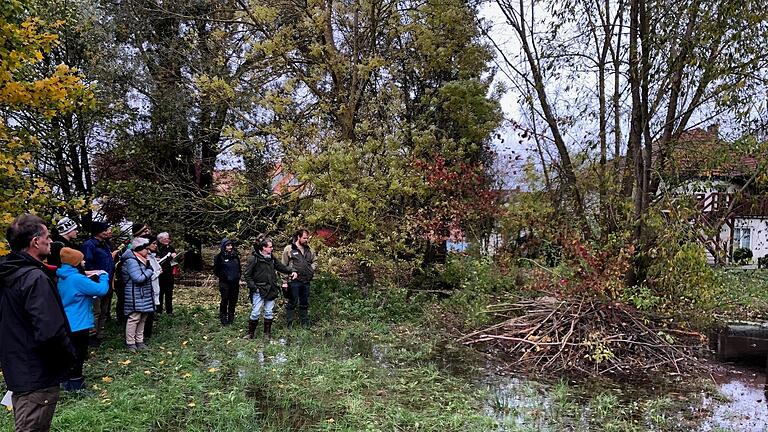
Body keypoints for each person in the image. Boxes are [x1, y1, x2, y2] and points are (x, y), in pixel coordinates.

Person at [0, 214, 75, 431]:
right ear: (35, 241)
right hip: (37, 374)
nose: (51, 242)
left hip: (18, 366)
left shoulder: (8, 273)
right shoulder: (34, 278)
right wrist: (67, 357)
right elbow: (50, 331)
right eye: (48, 237)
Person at [56, 247, 109, 391]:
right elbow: (100, 290)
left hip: (66, 321)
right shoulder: (77, 279)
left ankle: (66, 381)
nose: (84, 262)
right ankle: (76, 385)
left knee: (69, 353)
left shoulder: (62, 276)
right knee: (79, 354)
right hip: (79, 322)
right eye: (81, 260)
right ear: (75, 263)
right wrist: (104, 276)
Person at [243, 236, 296, 339]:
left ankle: (267, 334)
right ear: (263, 247)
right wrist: (254, 288)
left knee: (269, 312)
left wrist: (293, 270)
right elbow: (247, 275)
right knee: (255, 312)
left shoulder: (271, 258)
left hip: (271, 288)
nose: (272, 249)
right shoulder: (254, 259)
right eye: (270, 247)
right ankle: (250, 334)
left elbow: (281, 267)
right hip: (259, 289)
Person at [81, 221, 116, 345]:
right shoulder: (89, 245)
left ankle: (100, 333)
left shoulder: (105, 244)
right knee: (96, 310)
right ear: (99, 232)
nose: (108, 232)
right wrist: (95, 276)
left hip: (107, 281)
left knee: (104, 309)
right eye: (106, 230)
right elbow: (87, 264)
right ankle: (92, 335)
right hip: (95, 282)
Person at [121, 237, 155, 352]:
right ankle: (130, 342)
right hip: (135, 294)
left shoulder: (142, 259)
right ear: (139, 249)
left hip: (143, 293)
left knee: (143, 318)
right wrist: (150, 271)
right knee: (134, 318)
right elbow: (138, 278)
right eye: (146, 249)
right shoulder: (131, 260)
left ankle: (139, 341)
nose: (148, 251)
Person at [282, 229, 316, 328]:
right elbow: (283, 265)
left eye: (307, 238)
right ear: (298, 237)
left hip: (306, 280)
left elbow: (315, 261)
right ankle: (289, 325)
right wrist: (284, 281)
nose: (306, 240)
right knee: (292, 302)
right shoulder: (289, 249)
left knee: (304, 302)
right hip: (294, 281)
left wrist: (311, 269)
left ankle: (304, 324)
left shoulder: (310, 250)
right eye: (304, 238)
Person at [213, 238, 241, 326]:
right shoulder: (219, 257)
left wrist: (238, 276)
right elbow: (216, 270)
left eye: (231, 245)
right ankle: (223, 317)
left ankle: (231, 317)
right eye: (228, 245)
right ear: (223, 246)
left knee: (233, 300)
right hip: (224, 283)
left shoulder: (235, 256)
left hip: (235, 282)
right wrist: (224, 277)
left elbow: (239, 268)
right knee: (225, 299)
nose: (230, 247)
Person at [143, 236, 162, 339]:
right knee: (147, 313)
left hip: (154, 286)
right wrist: (158, 272)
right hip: (148, 287)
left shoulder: (152, 256)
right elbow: (149, 274)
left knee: (151, 311)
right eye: (153, 243)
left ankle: (148, 333)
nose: (155, 245)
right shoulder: (145, 257)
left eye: (156, 244)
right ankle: (145, 334)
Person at [156, 232, 176, 314]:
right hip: (160, 273)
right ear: (160, 239)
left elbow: (175, 261)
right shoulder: (157, 248)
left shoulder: (171, 248)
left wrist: (176, 257)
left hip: (169, 273)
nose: (168, 240)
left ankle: (169, 311)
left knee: (169, 293)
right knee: (160, 293)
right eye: (165, 238)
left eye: (168, 238)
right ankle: (158, 310)